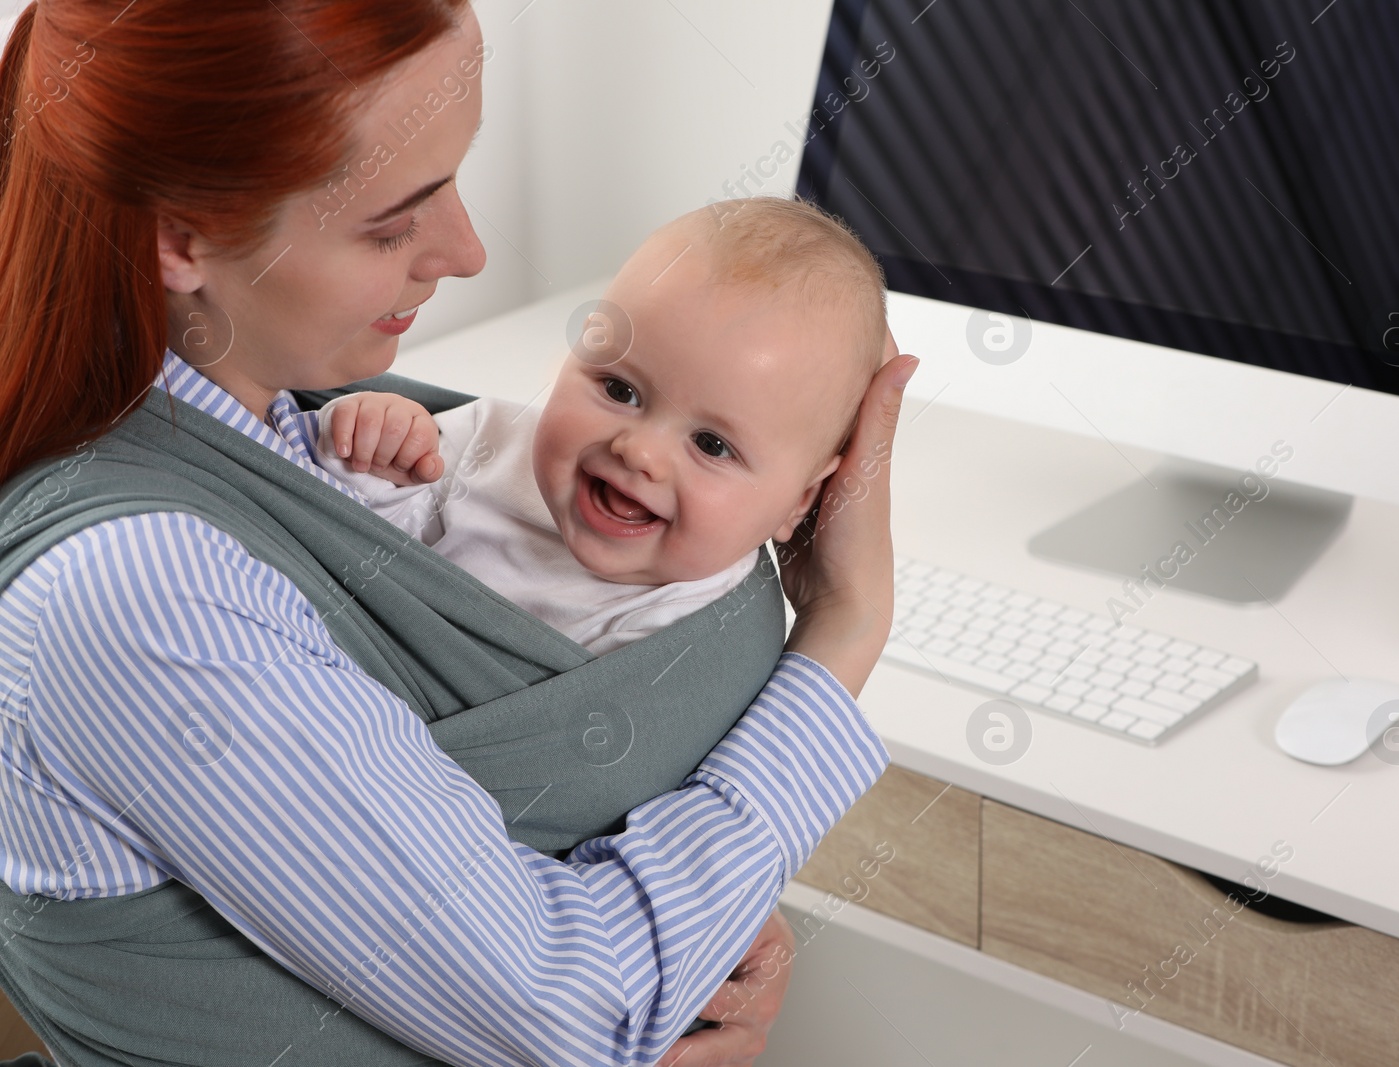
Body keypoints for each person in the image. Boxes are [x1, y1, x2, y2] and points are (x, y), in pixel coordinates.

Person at [0, 3, 916, 1066]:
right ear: (181, 237)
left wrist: (692, 939)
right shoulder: (138, 593)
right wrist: (844, 628)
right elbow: (581, 1014)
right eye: (395, 220)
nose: (469, 250)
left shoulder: (312, 435)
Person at [311, 197, 888, 657]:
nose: (639, 452)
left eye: (711, 444)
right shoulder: (491, 441)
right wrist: (376, 442)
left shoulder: (693, 620)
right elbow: (335, 525)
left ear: (800, 501)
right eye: (620, 389)